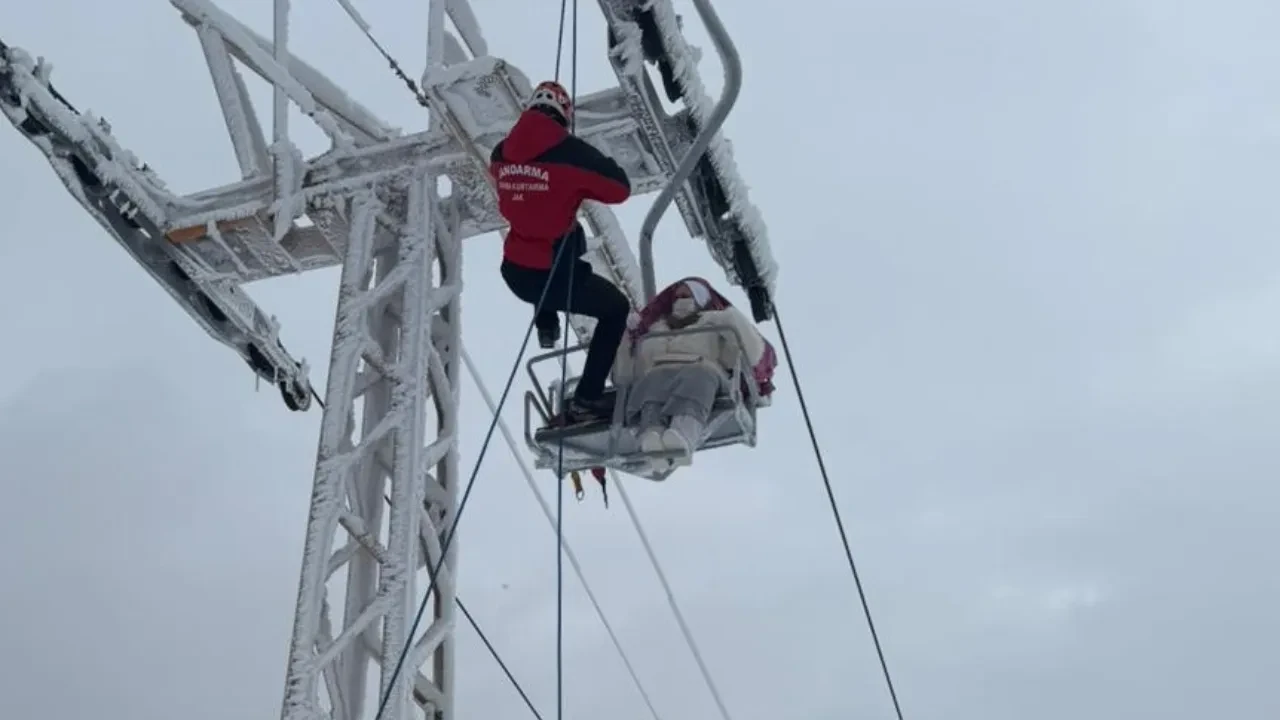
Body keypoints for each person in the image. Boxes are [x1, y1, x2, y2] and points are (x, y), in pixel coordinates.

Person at [490, 80, 634, 423]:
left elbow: (522, 190)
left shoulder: (501, 153)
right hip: (551, 274)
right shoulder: (571, 153)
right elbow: (619, 189)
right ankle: (587, 398)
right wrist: (594, 159)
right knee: (615, 309)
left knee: (563, 233)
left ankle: (546, 323)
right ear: (565, 114)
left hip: (515, 272)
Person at [612, 278, 777, 467]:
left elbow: (751, 353)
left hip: (700, 369)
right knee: (650, 384)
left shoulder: (713, 322)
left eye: (686, 295)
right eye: (677, 297)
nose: (679, 300)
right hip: (659, 372)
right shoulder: (655, 331)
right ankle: (651, 435)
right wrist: (626, 339)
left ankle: (682, 434)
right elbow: (626, 376)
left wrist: (730, 319)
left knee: (697, 379)